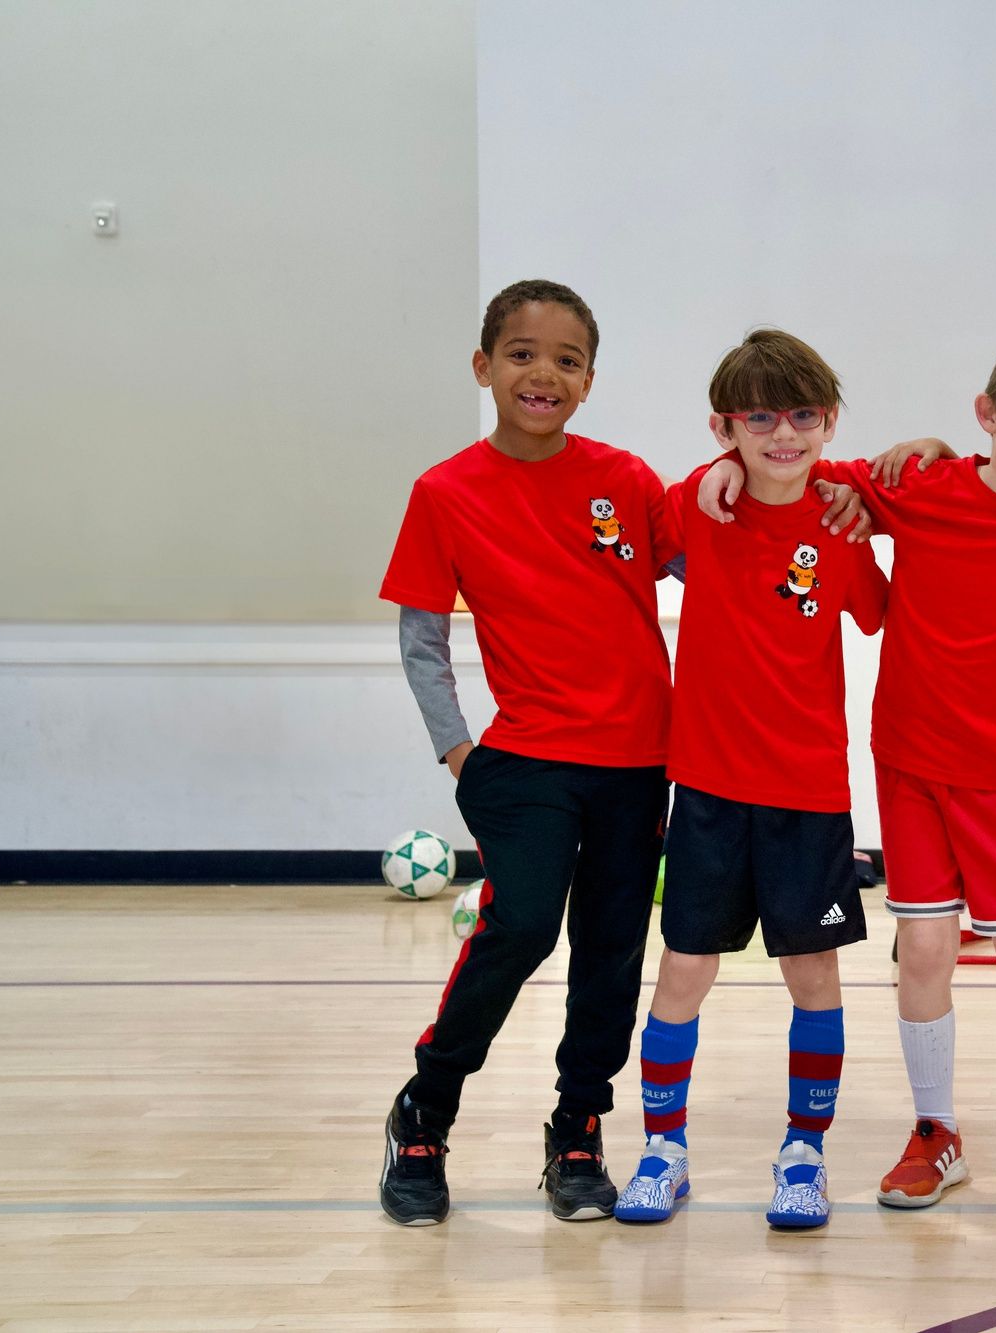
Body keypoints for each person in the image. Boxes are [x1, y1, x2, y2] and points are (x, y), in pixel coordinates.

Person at [700, 335, 996, 1211]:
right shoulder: (919, 487)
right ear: (988, 415)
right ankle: (936, 1129)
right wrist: (716, 473)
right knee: (923, 948)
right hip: (916, 770)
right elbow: (792, 459)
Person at [374, 279, 677, 1226]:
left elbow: (723, 549)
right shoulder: (445, 491)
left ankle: (579, 1126)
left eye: (566, 359)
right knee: (525, 926)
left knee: (613, 950)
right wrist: (457, 751)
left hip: (638, 763)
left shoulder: (626, 480)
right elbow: (422, 639)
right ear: (484, 367)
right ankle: (426, 1109)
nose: (543, 373)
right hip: (526, 762)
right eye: (521, 354)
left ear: (588, 380)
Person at [614, 330, 886, 1231]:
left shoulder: (844, 527)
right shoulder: (696, 508)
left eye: (803, 415)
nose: (783, 434)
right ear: (724, 427)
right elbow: (643, 529)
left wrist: (865, 489)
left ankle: (803, 1155)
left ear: (829, 421)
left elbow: (885, 609)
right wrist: (705, 473)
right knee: (685, 969)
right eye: (758, 417)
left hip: (809, 794)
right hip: (707, 789)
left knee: (813, 975)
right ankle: (663, 1148)